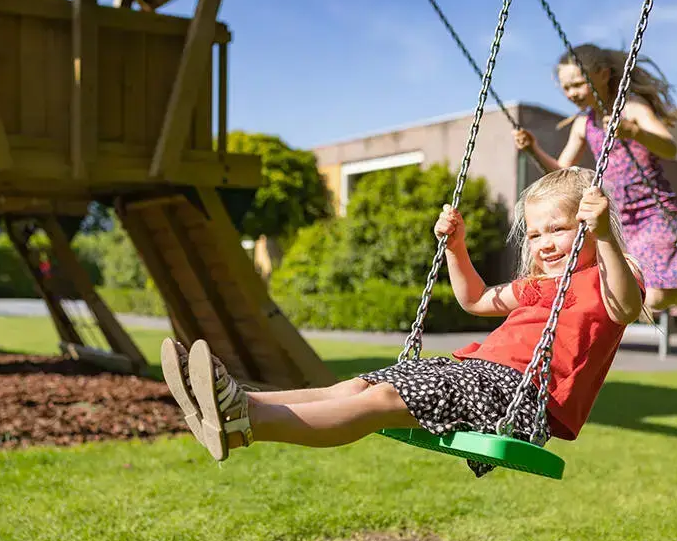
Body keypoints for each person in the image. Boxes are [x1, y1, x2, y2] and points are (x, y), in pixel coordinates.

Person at [161, 167, 645, 478]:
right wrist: (456, 248)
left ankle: (245, 422)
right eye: (535, 234)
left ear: (590, 224)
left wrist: (604, 237)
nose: (545, 243)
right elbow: (475, 299)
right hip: (473, 374)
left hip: (516, 397)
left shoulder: (609, 276)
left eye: (559, 229)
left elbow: (623, 307)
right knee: (356, 387)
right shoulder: (536, 285)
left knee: (380, 401)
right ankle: (235, 402)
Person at [512, 43, 677, 316]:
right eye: (566, 88)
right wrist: (533, 149)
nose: (572, 94)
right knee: (639, 291)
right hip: (617, 216)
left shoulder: (631, 107)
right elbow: (561, 171)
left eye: (578, 84)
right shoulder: (583, 123)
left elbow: (669, 147)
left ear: (603, 75)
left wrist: (634, 131)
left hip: (653, 210)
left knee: (654, 298)